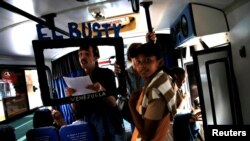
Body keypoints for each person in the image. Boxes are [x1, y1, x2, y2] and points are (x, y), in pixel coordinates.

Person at [65, 42, 125, 141]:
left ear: (96, 57)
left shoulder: (107, 74)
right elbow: (77, 112)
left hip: (110, 127)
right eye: (80, 54)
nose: (82, 57)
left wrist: (101, 91)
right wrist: (71, 98)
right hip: (91, 127)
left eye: (87, 54)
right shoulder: (77, 80)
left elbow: (113, 102)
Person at [128, 42, 177, 141]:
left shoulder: (155, 90)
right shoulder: (164, 78)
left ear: (159, 62)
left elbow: (146, 136)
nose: (142, 66)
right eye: (138, 62)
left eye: (147, 60)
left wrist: (131, 105)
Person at [170, 67, 202, 141]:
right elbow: (175, 113)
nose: (183, 84)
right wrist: (184, 100)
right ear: (176, 78)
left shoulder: (177, 90)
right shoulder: (172, 91)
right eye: (183, 81)